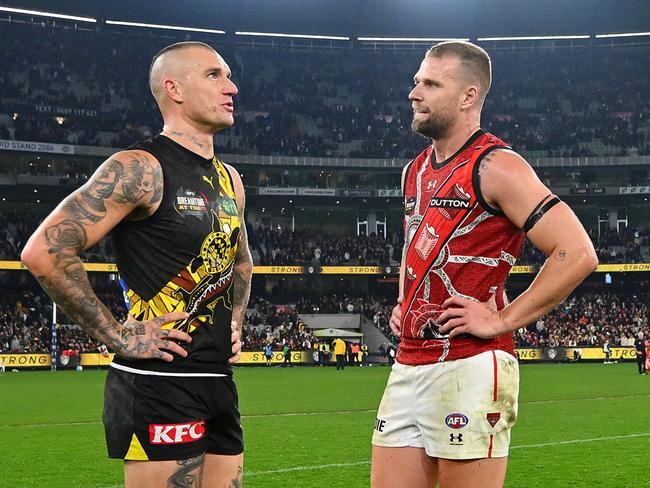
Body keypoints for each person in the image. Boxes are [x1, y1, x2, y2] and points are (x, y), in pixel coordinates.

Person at [21, 41, 252, 487]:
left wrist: (235, 320)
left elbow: (241, 263)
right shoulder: (138, 168)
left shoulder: (230, 179)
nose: (232, 87)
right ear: (174, 89)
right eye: (214, 75)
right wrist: (116, 335)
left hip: (218, 380)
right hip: (158, 382)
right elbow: (44, 251)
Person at [371, 41, 598, 488]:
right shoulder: (413, 171)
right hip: (410, 361)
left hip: (471, 365)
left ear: (468, 96)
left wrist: (500, 319)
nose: (414, 93)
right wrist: (405, 301)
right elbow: (412, 244)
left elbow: (576, 252)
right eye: (417, 81)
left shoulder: (497, 166)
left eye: (430, 84)